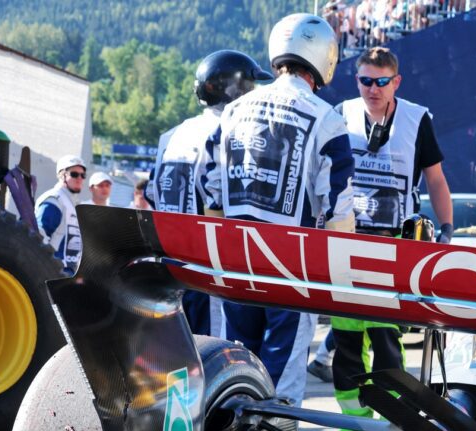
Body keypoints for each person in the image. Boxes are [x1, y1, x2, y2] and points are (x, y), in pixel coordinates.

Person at [197, 13, 354, 409]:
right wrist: (338, 274)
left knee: (237, 363)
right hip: (292, 265)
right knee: (281, 378)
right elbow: (338, 205)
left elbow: (208, 184)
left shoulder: (233, 110)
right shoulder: (327, 118)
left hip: (234, 258)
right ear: (324, 58)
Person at [327, 45, 454, 431]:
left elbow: (435, 179)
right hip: (347, 245)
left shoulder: (417, 120)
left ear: (396, 82)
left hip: (393, 249)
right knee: (346, 341)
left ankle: (393, 424)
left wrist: (447, 230)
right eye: (366, 80)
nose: (373, 89)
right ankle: (353, 428)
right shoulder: (341, 114)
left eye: (381, 82)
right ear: (357, 79)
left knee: (385, 339)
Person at [152, 49, 272, 335]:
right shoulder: (232, 131)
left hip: (170, 262)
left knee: (178, 353)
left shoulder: (173, 134)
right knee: (215, 352)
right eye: (251, 86)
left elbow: (154, 191)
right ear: (237, 88)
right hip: (210, 266)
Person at [35, 155, 87, 275]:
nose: (79, 178)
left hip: (70, 273)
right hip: (53, 272)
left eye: (82, 175)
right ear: (62, 175)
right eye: (74, 174)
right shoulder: (54, 200)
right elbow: (40, 236)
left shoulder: (74, 203)